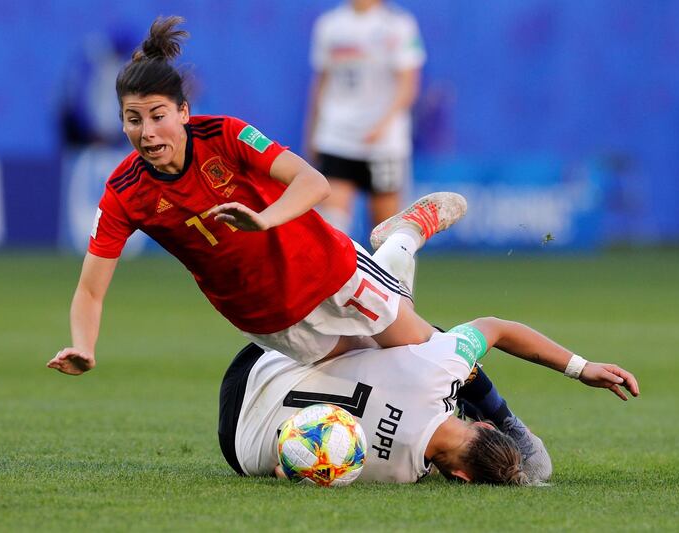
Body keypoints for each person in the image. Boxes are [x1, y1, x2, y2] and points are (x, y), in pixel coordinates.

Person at [47, 16, 465, 377]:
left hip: (327, 268)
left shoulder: (225, 134)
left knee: (420, 351)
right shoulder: (124, 192)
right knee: (378, 370)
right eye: (133, 120)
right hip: (267, 317)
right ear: (121, 123)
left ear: (184, 113)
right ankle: (400, 242)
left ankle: (504, 425)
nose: (147, 131)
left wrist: (264, 219)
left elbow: (313, 182)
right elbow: (90, 291)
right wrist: (84, 346)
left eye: (158, 116)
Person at [219, 318, 639, 485]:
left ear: (483, 426)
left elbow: (496, 327)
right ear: (460, 477)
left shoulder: (437, 371)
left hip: (260, 365)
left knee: (428, 336)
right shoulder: (401, 475)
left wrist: (581, 368)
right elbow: (282, 470)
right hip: (238, 447)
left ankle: (401, 244)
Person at [305, 0, 426, 235]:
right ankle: (342, 273)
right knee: (331, 228)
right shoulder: (330, 25)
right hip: (337, 136)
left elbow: (408, 84)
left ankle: (387, 272)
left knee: (388, 232)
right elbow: (321, 82)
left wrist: (382, 125)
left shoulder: (398, 25)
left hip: (384, 144)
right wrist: (312, 133)